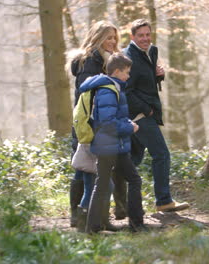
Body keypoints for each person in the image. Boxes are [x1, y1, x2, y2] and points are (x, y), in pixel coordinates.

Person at [123, 19, 189, 212]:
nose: (145, 38)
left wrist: (158, 76)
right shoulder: (129, 57)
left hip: (146, 112)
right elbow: (127, 90)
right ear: (132, 37)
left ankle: (118, 202)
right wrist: (146, 109)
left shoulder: (151, 51)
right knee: (161, 155)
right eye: (141, 35)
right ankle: (163, 201)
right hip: (139, 116)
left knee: (133, 159)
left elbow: (146, 81)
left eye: (147, 34)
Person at [68, 21, 127, 231]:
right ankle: (83, 217)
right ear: (97, 38)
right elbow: (86, 97)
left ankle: (92, 217)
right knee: (87, 170)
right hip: (88, 125)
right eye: (108, 37)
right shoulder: (89, 61)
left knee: (92, 170)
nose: (112, 42)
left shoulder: (108, 60)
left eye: (114, 38)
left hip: (98, 125)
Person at [82, 53, 146, 233]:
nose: (128, 76)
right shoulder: (108, 90)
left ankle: (92, 228)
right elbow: (107, 122)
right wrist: (129, 128)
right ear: (117, 71)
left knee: (101, 184)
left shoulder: (110, 87)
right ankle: (136, 225)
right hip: (111, 145)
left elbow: (111, 118)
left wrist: (126, 123)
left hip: (108, 145)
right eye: (126, 72)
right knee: (134, 180)